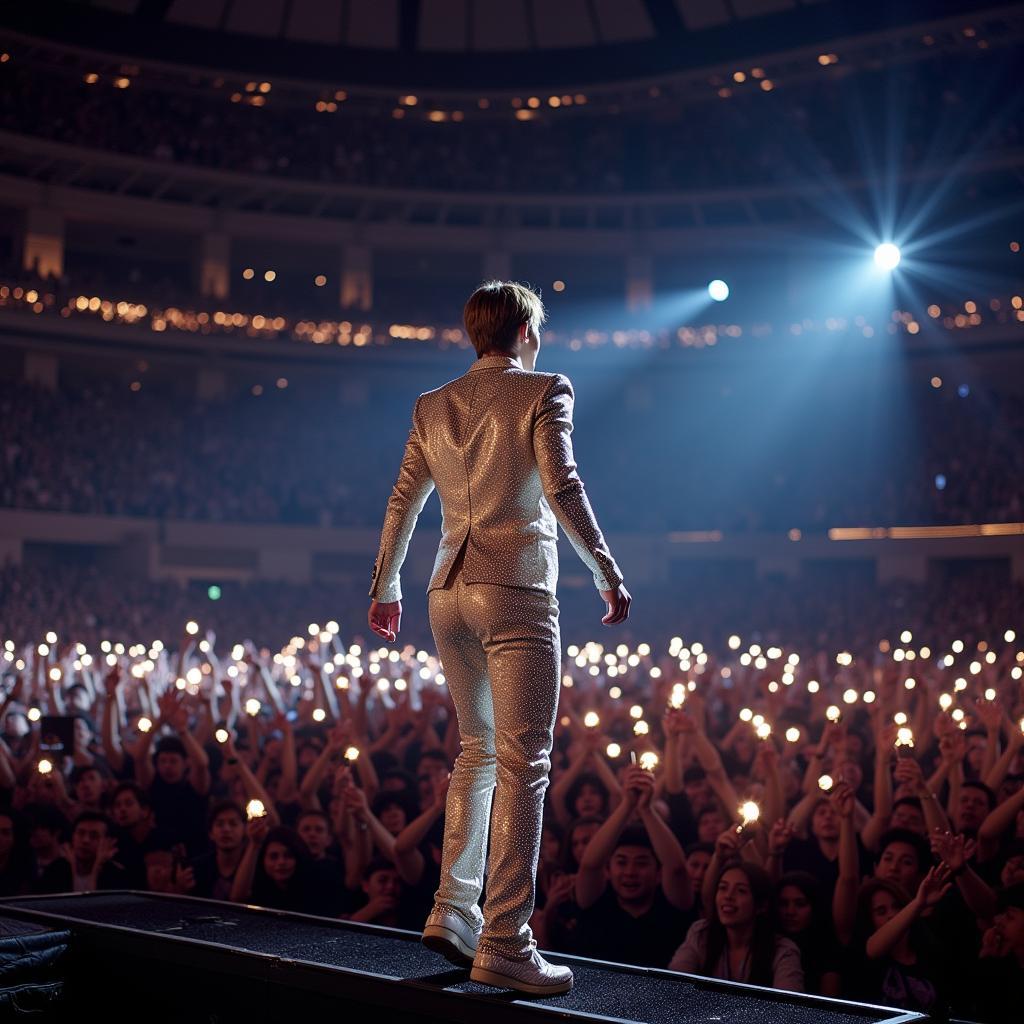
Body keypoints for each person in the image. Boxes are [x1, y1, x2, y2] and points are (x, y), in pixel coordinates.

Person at [367, 280, 630, 995]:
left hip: (445, 593)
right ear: (522, 329)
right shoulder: (545, 388)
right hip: (513, 588)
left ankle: (453, 910)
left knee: (478, 751)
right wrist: (605, 568)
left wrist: (384, 585)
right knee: (525, 764)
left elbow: (403, 499)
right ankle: (506, 939)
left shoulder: (432, 404)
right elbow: (564, 485)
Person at [668, 860, 804, 990]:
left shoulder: (783, 951)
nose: (728, 896)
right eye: (723, 888)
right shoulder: (701, 933)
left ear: (761, 905)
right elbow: (674, 986)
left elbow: (789, 1009)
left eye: (741, 891)